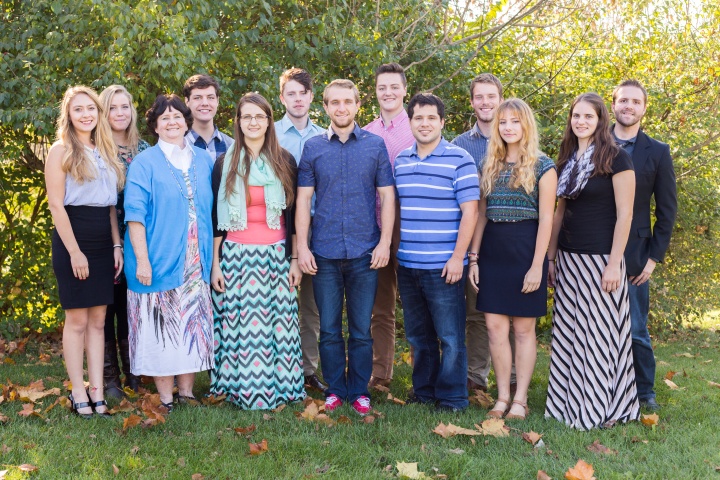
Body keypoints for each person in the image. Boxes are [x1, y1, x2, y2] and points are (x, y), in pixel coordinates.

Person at [296, 79, 395, 416]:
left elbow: (387, 196)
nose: (341, 108)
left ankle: (360, 390)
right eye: (334, 102)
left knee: (361, 329)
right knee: (328, 328)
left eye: (347, 102)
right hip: (323, 252)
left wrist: (384, 242)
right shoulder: (312, 148)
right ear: (324, 107)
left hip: (364, 252)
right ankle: (336, 389)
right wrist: (303, 249)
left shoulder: (374, 145)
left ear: (357, 105)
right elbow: (303, 200)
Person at [545, 92, 640, 430]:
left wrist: (615, 263)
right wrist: (552, 256)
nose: (581, 121)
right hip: (570, 261)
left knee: (599, 335)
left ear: (601, 120)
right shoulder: (567, 159)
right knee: (571, 334)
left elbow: (626, 215)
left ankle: (598, 409)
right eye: (576, 116)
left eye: (588, 116)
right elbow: (559, 213)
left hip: (602, 260)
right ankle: (567, 405)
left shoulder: (617, 158)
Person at [209, 93, 305, 409]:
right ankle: (239, 390)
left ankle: (283, 389)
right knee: (240, 327)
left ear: (268, 121)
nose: (253, 122)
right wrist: (215, 264)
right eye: (246, 116)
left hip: (276, 256)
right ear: (237, 122)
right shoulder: (225, 162)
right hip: (236, 256)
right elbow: (215, 219)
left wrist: (294, 258)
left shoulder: (285, 160)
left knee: (279, 325)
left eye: (259, 117)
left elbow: (293, 216)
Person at [124, 94, 215, 412]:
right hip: (158, 256)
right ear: (155, 126)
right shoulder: (144, 163)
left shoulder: (203, 160)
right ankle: (165, 397)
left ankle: (187, 393)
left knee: (191, 322)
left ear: (187, 121)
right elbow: (134, 214)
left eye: (178, 116)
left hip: (195, 259)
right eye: (165, 118)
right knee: (161, 326)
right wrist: (143, 259)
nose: (172, 122)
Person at [468, 99, 557, 420]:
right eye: (503, 122)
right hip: (492, 249)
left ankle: (520, 399)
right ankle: (502, 396)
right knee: (494, 327)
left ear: (526, 125)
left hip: (525, 250)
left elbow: (547, 219)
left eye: (515, 122)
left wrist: (538, 265)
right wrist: (474, 258)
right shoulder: (488, 164)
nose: (508, 127)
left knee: (522, 329)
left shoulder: (543, 166)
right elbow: (480, 214)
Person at [395, 93, 479, 412]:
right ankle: (425, 391)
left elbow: (470, 213)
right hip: (408, 264)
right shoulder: (401, 161)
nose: (425, 123)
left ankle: (453, 397)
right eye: (419, 118)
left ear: (442, 122)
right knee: (419, 336)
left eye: (432, 118)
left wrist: (459, 258)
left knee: (450, 337)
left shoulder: (460, 159)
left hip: (444, 265)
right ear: (410, 122)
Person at [45, 85, 125, 417]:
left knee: (99, 319)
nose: (86, 114)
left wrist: (117, 244)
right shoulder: (60, 150)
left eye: (90, 108)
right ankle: (78, 391)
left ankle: (97, 391)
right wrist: (75, 252)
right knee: (77, 319)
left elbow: (109, 207)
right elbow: (56, 206)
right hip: (73, 237)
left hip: (103, 241)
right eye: (78, 109)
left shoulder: (104, 150)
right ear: (69, 115)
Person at [611, 80, 677, 411]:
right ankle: (604, 388)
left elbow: (667, 210)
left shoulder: (658, 151)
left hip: (636, 254)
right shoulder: (592, 143)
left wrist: (653, 259)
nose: (629, 106)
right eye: (623, 100)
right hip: (589, 247)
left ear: (644, 108)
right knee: (598, 325)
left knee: (636, 327)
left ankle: (644, 391)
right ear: (613, 105)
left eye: (636, 101)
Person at [452, 73, 516, 393]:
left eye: (491, 96)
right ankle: (476, 376)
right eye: (480, 97)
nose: (486, 102)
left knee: (514, 312)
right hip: (475, 241)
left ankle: (516, 376)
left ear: (501, 98)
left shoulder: (517, 140)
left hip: (512, 239)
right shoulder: (459, 146)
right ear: (472, 101)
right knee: (476, 313)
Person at [274, 67, 328, 393]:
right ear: (282, 98)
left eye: (302, 93)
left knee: (311, 307)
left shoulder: (323, 137)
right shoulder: (269, 135)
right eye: (290, 93)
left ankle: (308, 371)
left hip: (317, 231)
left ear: (311, 97)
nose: (297, 99)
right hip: (275, 231)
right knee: (275, 303)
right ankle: (277, 368)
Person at [363, 62, 415, 389]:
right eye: (382, 87)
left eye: (394, 87)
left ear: (404, 90)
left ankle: (426, 376)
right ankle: (380, 375)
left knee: (417, 304)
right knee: (380, 306)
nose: (388, 92)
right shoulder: (366, 132)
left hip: (412, 226)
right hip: (377, 227)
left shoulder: (420, 126)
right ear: (376, 91)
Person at [98, 85, 150, 398]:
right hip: (104, 238)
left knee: (131, 306)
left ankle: (135, 374)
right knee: (106, 306)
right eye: (113, 108)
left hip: (136, 240)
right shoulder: (97, 150)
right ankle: (109, 378)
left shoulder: (143, 148)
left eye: (125, 107)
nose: (120, 113)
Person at [183, 74, 234, 161]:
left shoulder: (232, 147)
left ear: (217, 101)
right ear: (187, 101)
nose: (205, 103)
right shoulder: (179, 145)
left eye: (210, 97)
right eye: (198, 98)